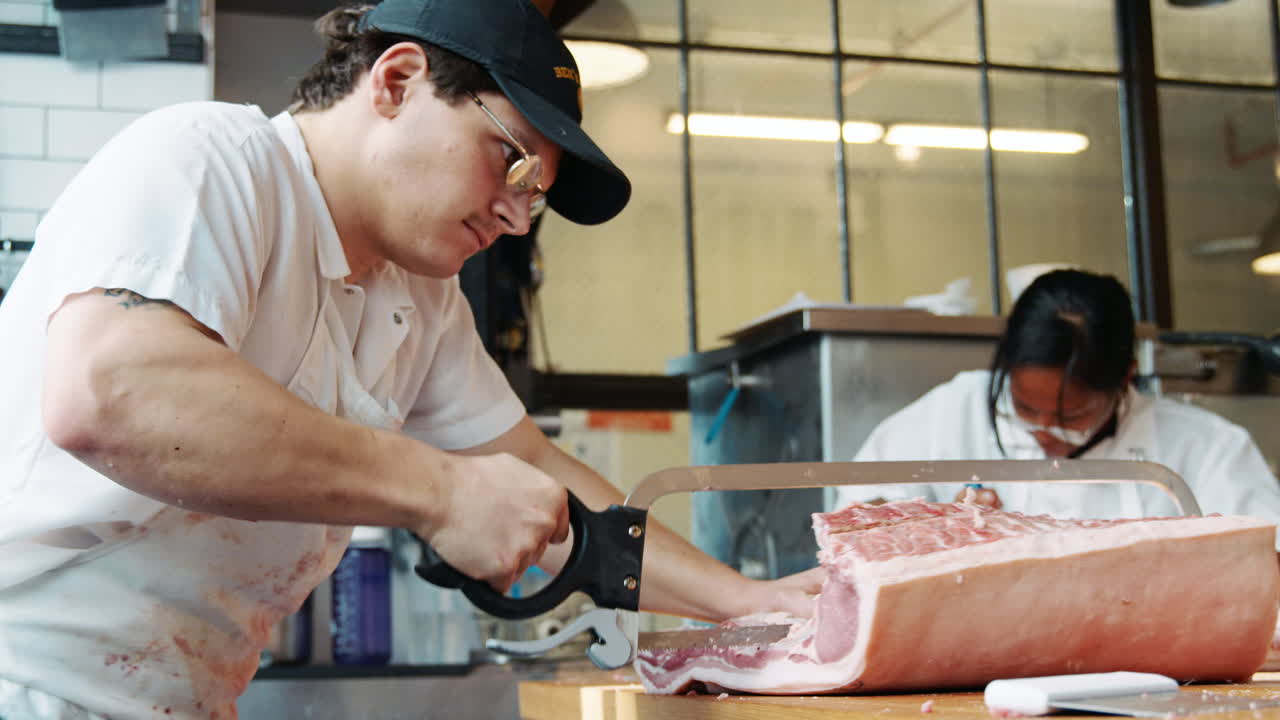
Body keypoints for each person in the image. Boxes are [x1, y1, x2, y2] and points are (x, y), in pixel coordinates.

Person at [0, 1, 820, 717]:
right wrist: (439, 490)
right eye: (514, 161)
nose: (519, 216)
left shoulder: (419, 300)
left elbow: (539, 474)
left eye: (536, 193)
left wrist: (749, 606)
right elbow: (111, 391)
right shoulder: (212, 158)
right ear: (396, 82)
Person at [829, 269, 1280, 526]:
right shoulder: (946, 416)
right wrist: (933, 528)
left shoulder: (1206, 447)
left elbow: (1265, 568)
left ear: (1125, 379)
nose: (1046, 435)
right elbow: (857, 526)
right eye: (1026, 410)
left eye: (1073, 418)